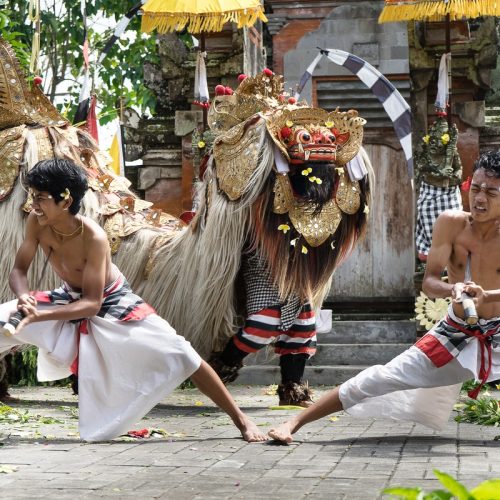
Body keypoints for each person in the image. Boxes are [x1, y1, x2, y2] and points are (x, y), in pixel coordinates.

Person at [0, 158, 266, 443]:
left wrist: (36, 316)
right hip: (67, 299)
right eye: (33, 196)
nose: (33, 204)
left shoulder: (94, 238)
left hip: (112, 304)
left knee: (182, 354)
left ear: (65, 201)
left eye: (40, 197)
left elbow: (91, 304)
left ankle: (242, 420)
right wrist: (24, 297)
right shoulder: (36, 222)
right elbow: (18, 270)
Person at [268, 150, 500, 443]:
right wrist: (451, 289)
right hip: (458, 329)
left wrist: (487, 294)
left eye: (491, 192)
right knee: (383, 376)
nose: (480, 199)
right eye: (476, 188)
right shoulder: (451, 223)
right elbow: (429, 281)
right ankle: (294, 422)